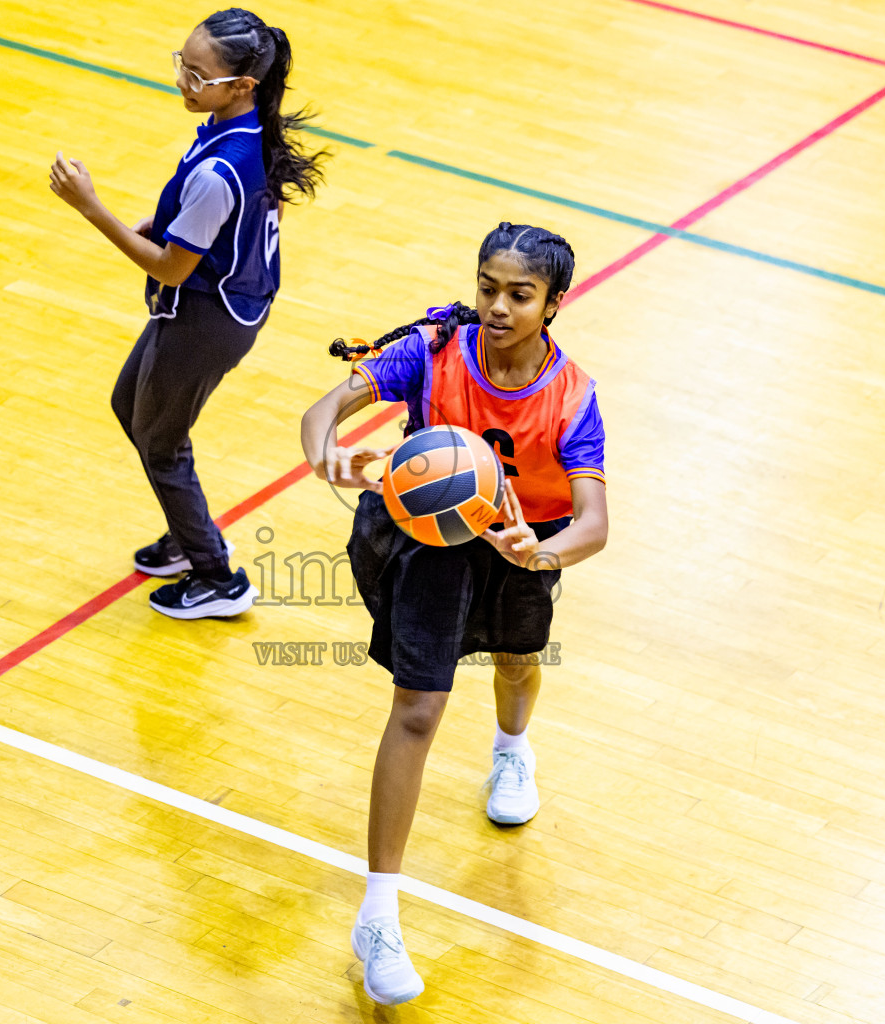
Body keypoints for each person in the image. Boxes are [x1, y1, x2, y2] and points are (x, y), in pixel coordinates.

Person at [299, 223, 608, 1005]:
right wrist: (324, 450)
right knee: (416, 708)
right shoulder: (436, 351)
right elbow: (325, 408)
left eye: (519, 294)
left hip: (518, 543)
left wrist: (539, 555)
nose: (497, 307)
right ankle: (378, 915)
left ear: (554, 303)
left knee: (517, 663)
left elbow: (594, 524)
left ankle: (512, 748)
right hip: (432, 543)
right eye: (487, 287)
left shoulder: (571, 397)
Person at [50, 8, 325, 619]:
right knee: (132, 407)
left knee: (162, 442)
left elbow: (170, 268)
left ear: (240, 85)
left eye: (197, 75)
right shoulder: (243, 128)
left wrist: (92, 208)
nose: (182, 80)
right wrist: (170, 228)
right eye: (183, 63)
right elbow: (225, 226)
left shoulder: (222, 167)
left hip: (208, 318)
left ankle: (216, 578)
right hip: (217, 303)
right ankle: (189, 528)